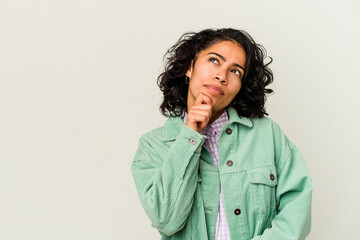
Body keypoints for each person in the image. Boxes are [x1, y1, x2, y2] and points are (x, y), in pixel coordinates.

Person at [131, 28, 312, 240]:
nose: (221, 76)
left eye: (235, 71)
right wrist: (190, 135)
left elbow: (297, 212)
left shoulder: (268, 135)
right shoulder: (153, 145)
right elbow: (167, 219)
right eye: (214, 60)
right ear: (190, 67)